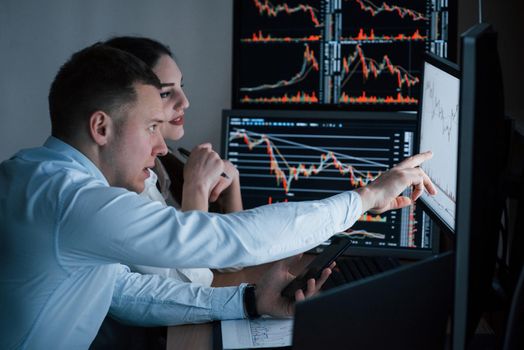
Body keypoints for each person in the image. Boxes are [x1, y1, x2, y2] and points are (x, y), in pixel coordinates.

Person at [0, 43, 436, 349]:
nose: (160, 146)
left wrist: (249, 300)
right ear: (101, 128)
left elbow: (125, 294)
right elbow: (227, 239)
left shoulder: (33, 175)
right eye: (152, 127)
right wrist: (367, 197)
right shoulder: (72, 201)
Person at [104, 36, 244, 287]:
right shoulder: (127, 179)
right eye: (166, 93)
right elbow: (193, 282)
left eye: (181, 87)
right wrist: (196, 189)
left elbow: (229, 260)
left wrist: (232, 183)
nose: (185, 102)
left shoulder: (164, 165)